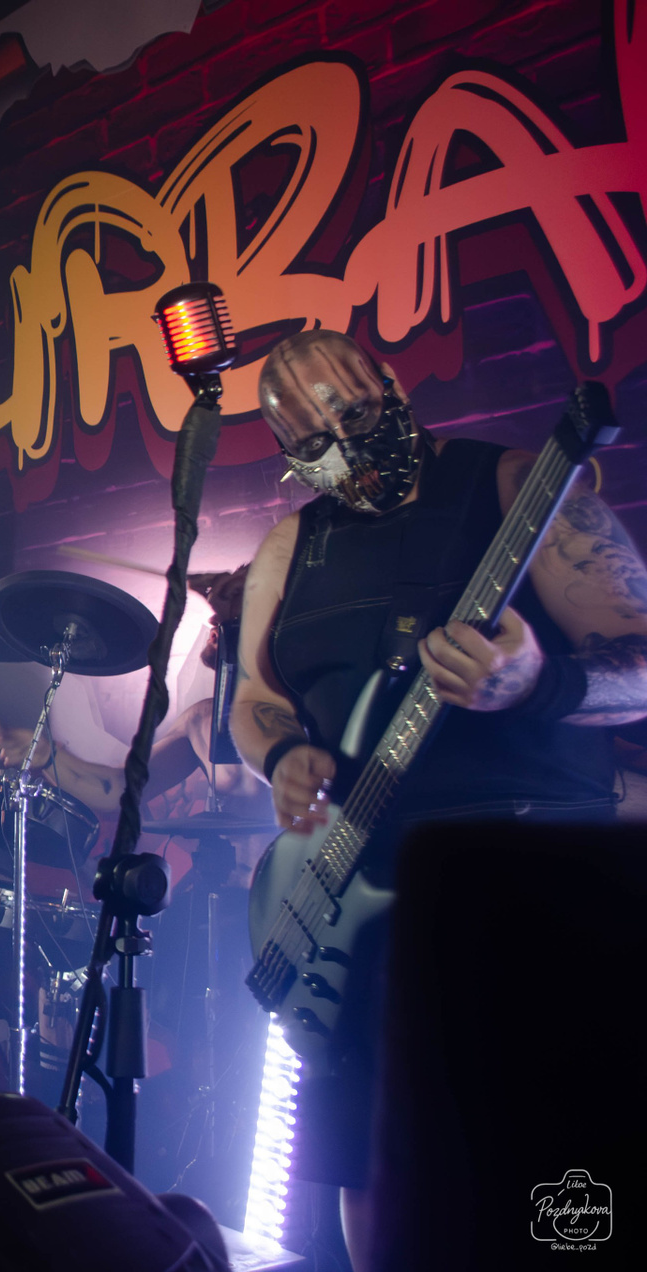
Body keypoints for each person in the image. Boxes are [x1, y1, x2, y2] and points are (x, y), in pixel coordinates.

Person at [229, 330, 647, 1269]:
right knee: (375, 1167)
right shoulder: (291, 544)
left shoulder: (518, 488)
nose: (343, 445)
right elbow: (253, 698)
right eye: (313, 442)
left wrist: (538, 683)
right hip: (357, 897)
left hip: (531, 881)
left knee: (556, 1169)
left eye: (353, 412)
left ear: (390, 383)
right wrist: (282, 754)